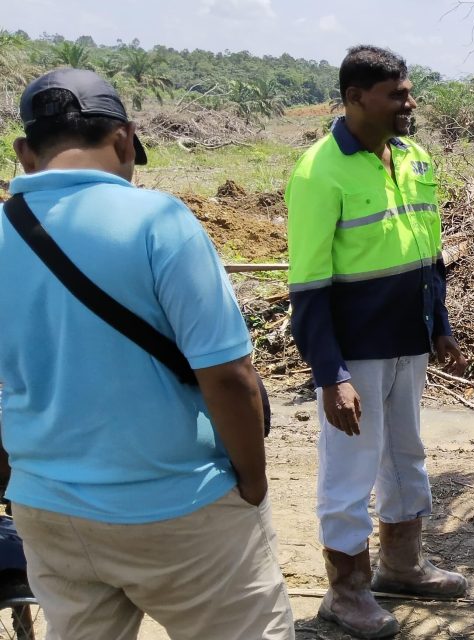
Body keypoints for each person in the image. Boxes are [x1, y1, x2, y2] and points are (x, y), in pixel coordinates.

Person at [0, 68, 293, 639]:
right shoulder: (161, 221)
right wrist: (254, 484)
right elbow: (229, 377)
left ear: (24, 153)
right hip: (179, 507)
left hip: (50, 513)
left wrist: (16, 483)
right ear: (125, 140)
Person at [286, 45, 469, 639]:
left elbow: (428, 256)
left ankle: (402, 564)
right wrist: (329, 373)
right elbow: (309, 285)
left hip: (408, 343)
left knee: (406, 456)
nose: (408, 104)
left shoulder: (414, 158)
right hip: (355, 350)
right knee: (350, 469)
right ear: (356, 98)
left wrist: (438, 325)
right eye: (396, 94)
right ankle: (345, 593)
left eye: (408, 92)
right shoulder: (319, 170)